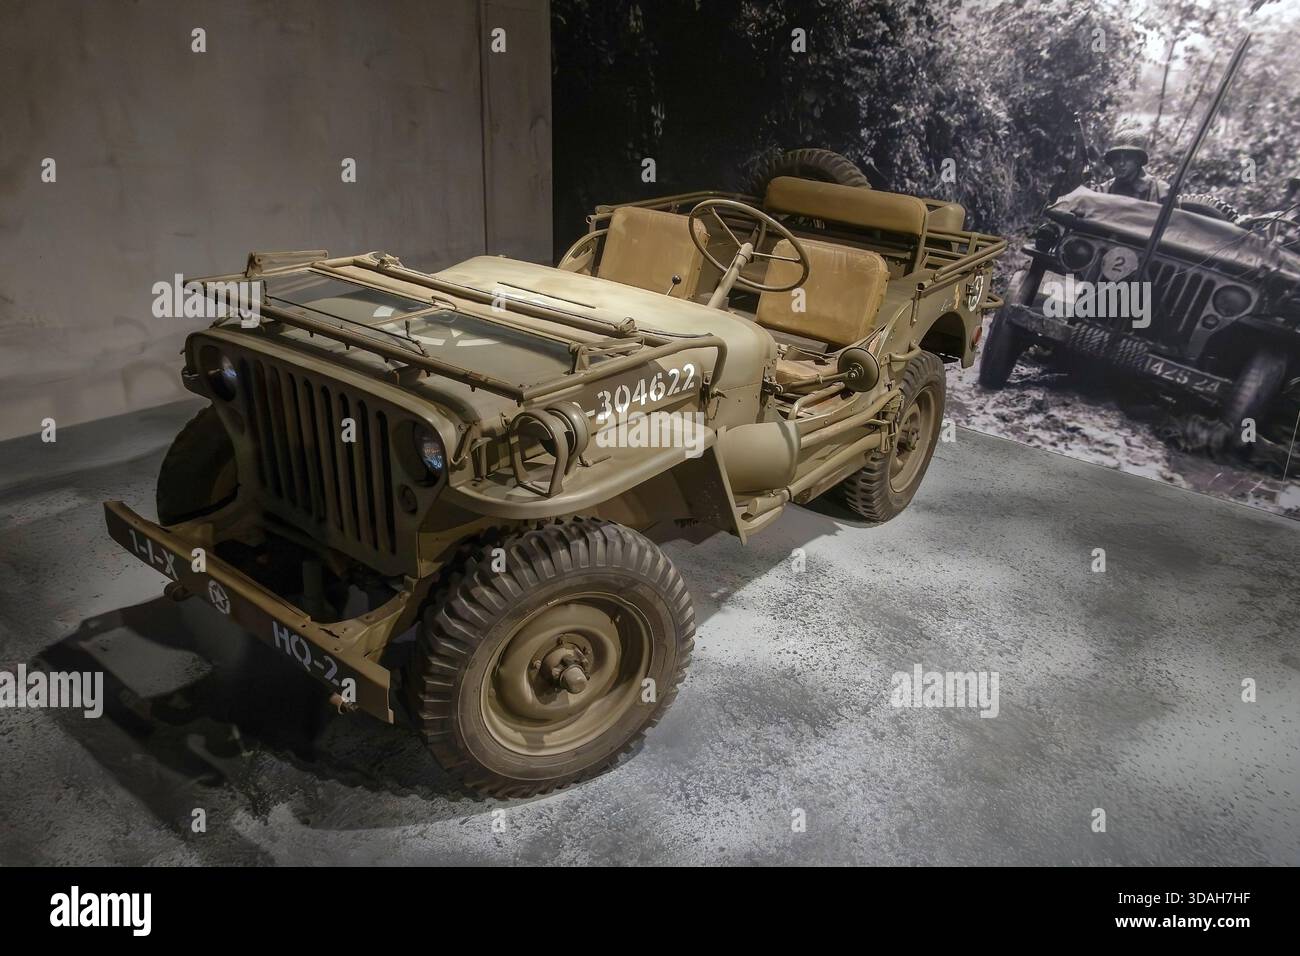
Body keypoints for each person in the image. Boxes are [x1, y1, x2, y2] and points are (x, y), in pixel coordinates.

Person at [1099, 131, 1170, 203]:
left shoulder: (1161, 191)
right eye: (1116, 157)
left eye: (1128, 157)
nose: (1121, 163)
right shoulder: (1103, 191)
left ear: (1138, 160)